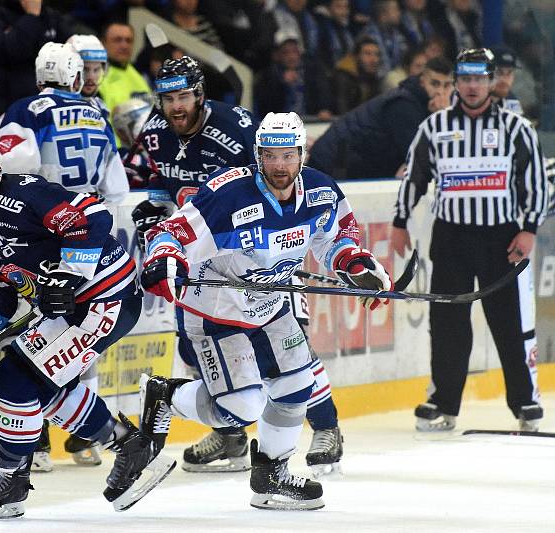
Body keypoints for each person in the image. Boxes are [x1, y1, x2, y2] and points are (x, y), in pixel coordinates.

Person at [139, 111, 394, 509]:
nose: (279, 165)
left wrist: (354, 264)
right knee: (240, 408)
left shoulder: (323, 191)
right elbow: (169, 232)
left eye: (287, 156)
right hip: (215, 312)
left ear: (301, 154)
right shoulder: (228, 194)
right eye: (270, 156)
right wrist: (166, 259)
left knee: (296, 383)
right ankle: (165, 395)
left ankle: (271, 472)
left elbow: (336, 237)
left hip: (271, 304)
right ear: (257, 155)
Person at [0, 129, 172, 519]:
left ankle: (11, 480)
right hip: (67, 308)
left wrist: (69, 273)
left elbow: (93, 215)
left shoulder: (25, 192)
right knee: (34, 390)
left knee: (12, 380)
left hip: (104, 298)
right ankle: (130, 445)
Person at [134, 57, 347, 478]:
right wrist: (155, 216)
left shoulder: (238, 128)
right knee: (195, 350)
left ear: (200, 94)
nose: (176, 107)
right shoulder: (155, 133)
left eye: (184, 96)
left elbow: (278, 185)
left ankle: (326, 427)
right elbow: (162, 186)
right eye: (168, 98)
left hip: (258, 254)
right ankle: (230, 433)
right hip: (201, 257)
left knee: (291, 349)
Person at [390, 48, 548, 433]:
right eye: (466, 79)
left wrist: (528, 229)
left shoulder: (517, 128)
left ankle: (525, 403)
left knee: (508, 323)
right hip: (451, 238)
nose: (473, 86)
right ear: (457, 82)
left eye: (480, 78)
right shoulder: (435, 127)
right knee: (447, 322)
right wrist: (399, 221)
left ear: (492, 81)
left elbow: (536, 183)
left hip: (501, 238)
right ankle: (444, 401)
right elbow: (415, 177)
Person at [0, 42, 128, 205]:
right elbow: (117, 189)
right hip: (92, 215)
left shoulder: (27, 110)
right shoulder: (98, 116)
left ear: (39, 77)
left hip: (47, 216)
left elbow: (12, 168)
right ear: (76, 79)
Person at [308, 56, 453, 179]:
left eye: (446, 85)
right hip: (334, 160)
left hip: (348, 159)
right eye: (434, 84)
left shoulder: (418, 103)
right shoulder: (403, 106)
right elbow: (423, 158)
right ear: (422, 81)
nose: (440, 91)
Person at [0, 0, 72, 133]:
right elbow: (11, 51)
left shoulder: (51, 16)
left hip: (47, 111)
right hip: (5, 113)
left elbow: (72, 53)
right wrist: (32, 16)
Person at [98, 21, 151, 128]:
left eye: (129, 40)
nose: (124, 45)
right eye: (117, 40)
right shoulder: (95, 77)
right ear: (103, 43)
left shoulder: (139, 76)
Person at [66, 33, 111, 121]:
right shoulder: (51, 108)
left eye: (96, 69)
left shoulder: (101, 108)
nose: (91, 77)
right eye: (84, 70)